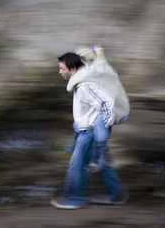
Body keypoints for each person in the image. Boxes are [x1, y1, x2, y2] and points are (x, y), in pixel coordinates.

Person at [50, 50, 129, 209]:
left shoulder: (85, 86)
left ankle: (75, 198)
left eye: (62, 69)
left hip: (90, 132)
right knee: (102, 163)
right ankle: (116, 195)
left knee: (77, 165)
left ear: (72, 69)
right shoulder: (80, 82)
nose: (60, 72)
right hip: (88, 131)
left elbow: (107, 102)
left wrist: (103, 127)